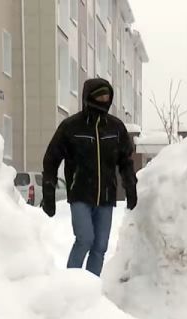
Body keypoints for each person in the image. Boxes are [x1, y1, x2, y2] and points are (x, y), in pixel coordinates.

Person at [41, 78, 138, 277]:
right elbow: (51, 159)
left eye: (107, 96)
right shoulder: (71, 126)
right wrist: (48, 191)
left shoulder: (116, 127)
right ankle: (71, 285)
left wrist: (130, 186)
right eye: (100, 96)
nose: (104, 99)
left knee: (100, 247)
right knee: (85, 239)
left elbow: (126, 160)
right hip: (80, 193)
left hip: (106, 196)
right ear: (89, 97)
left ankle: (91, 288)